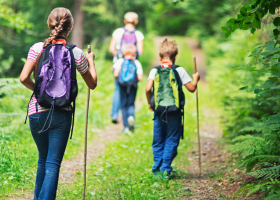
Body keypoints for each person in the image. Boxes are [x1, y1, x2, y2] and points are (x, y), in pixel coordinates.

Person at [19, 7, 97, 199]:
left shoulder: (37, 48)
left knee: (43, 159)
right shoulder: (76, 52)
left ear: (49, 24)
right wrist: (91, 61)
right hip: (61, 113)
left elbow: (23, 78)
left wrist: (40, 92)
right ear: (69, 27)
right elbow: (92, 83)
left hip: (36, 111)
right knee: (53, 163)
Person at [145, 39, 200, 176]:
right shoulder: (179, 70)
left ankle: (157, 170)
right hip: (175, 112)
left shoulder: (154, 71)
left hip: (159, 111)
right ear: (176, 56)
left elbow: (147, 89)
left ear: (159, 57)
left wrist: (149, 103)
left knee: (158, 140)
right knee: (171, 139)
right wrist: (195, 78)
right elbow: (192, 89)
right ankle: (165, 169)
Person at [109, 11, 144, 124]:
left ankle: (115, 115)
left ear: (124, 21)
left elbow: (111, 48)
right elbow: (140, 52)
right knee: (131, 90)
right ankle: (130, 113)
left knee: (118, 89)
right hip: (133, 67)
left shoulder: (118, 32)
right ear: (136, 21)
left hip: (119, 65)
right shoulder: (138, 34)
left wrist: (119, 58)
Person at [113, 44, 143, 133]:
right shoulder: (136, 63)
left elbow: (115, 74)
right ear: (134, 54)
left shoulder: (120, 61)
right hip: (133, 86)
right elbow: (140, 78)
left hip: (122, 86)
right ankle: (131, 117)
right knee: (131, 103)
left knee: (123, 104)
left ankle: (126, 126)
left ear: (123, 52)